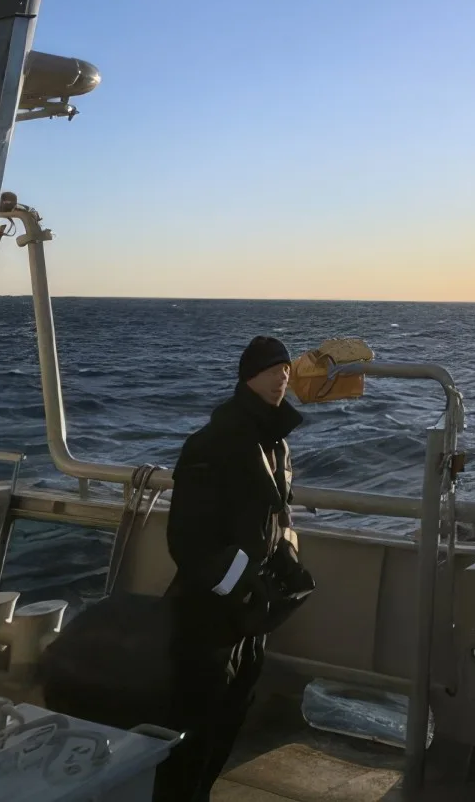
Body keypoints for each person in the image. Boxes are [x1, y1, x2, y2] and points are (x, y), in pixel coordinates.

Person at [154, 336, 316, 801]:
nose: (281, 376)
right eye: (270, 369)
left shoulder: (275, 443)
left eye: (286, 369)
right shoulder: (213, 443)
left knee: (233, 709)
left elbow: (275, 516)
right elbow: (187, 540)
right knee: (192, 723)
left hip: (250, 613)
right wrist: (236, 585)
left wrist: (284, 560)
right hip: (208, 614)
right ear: (248, 377)